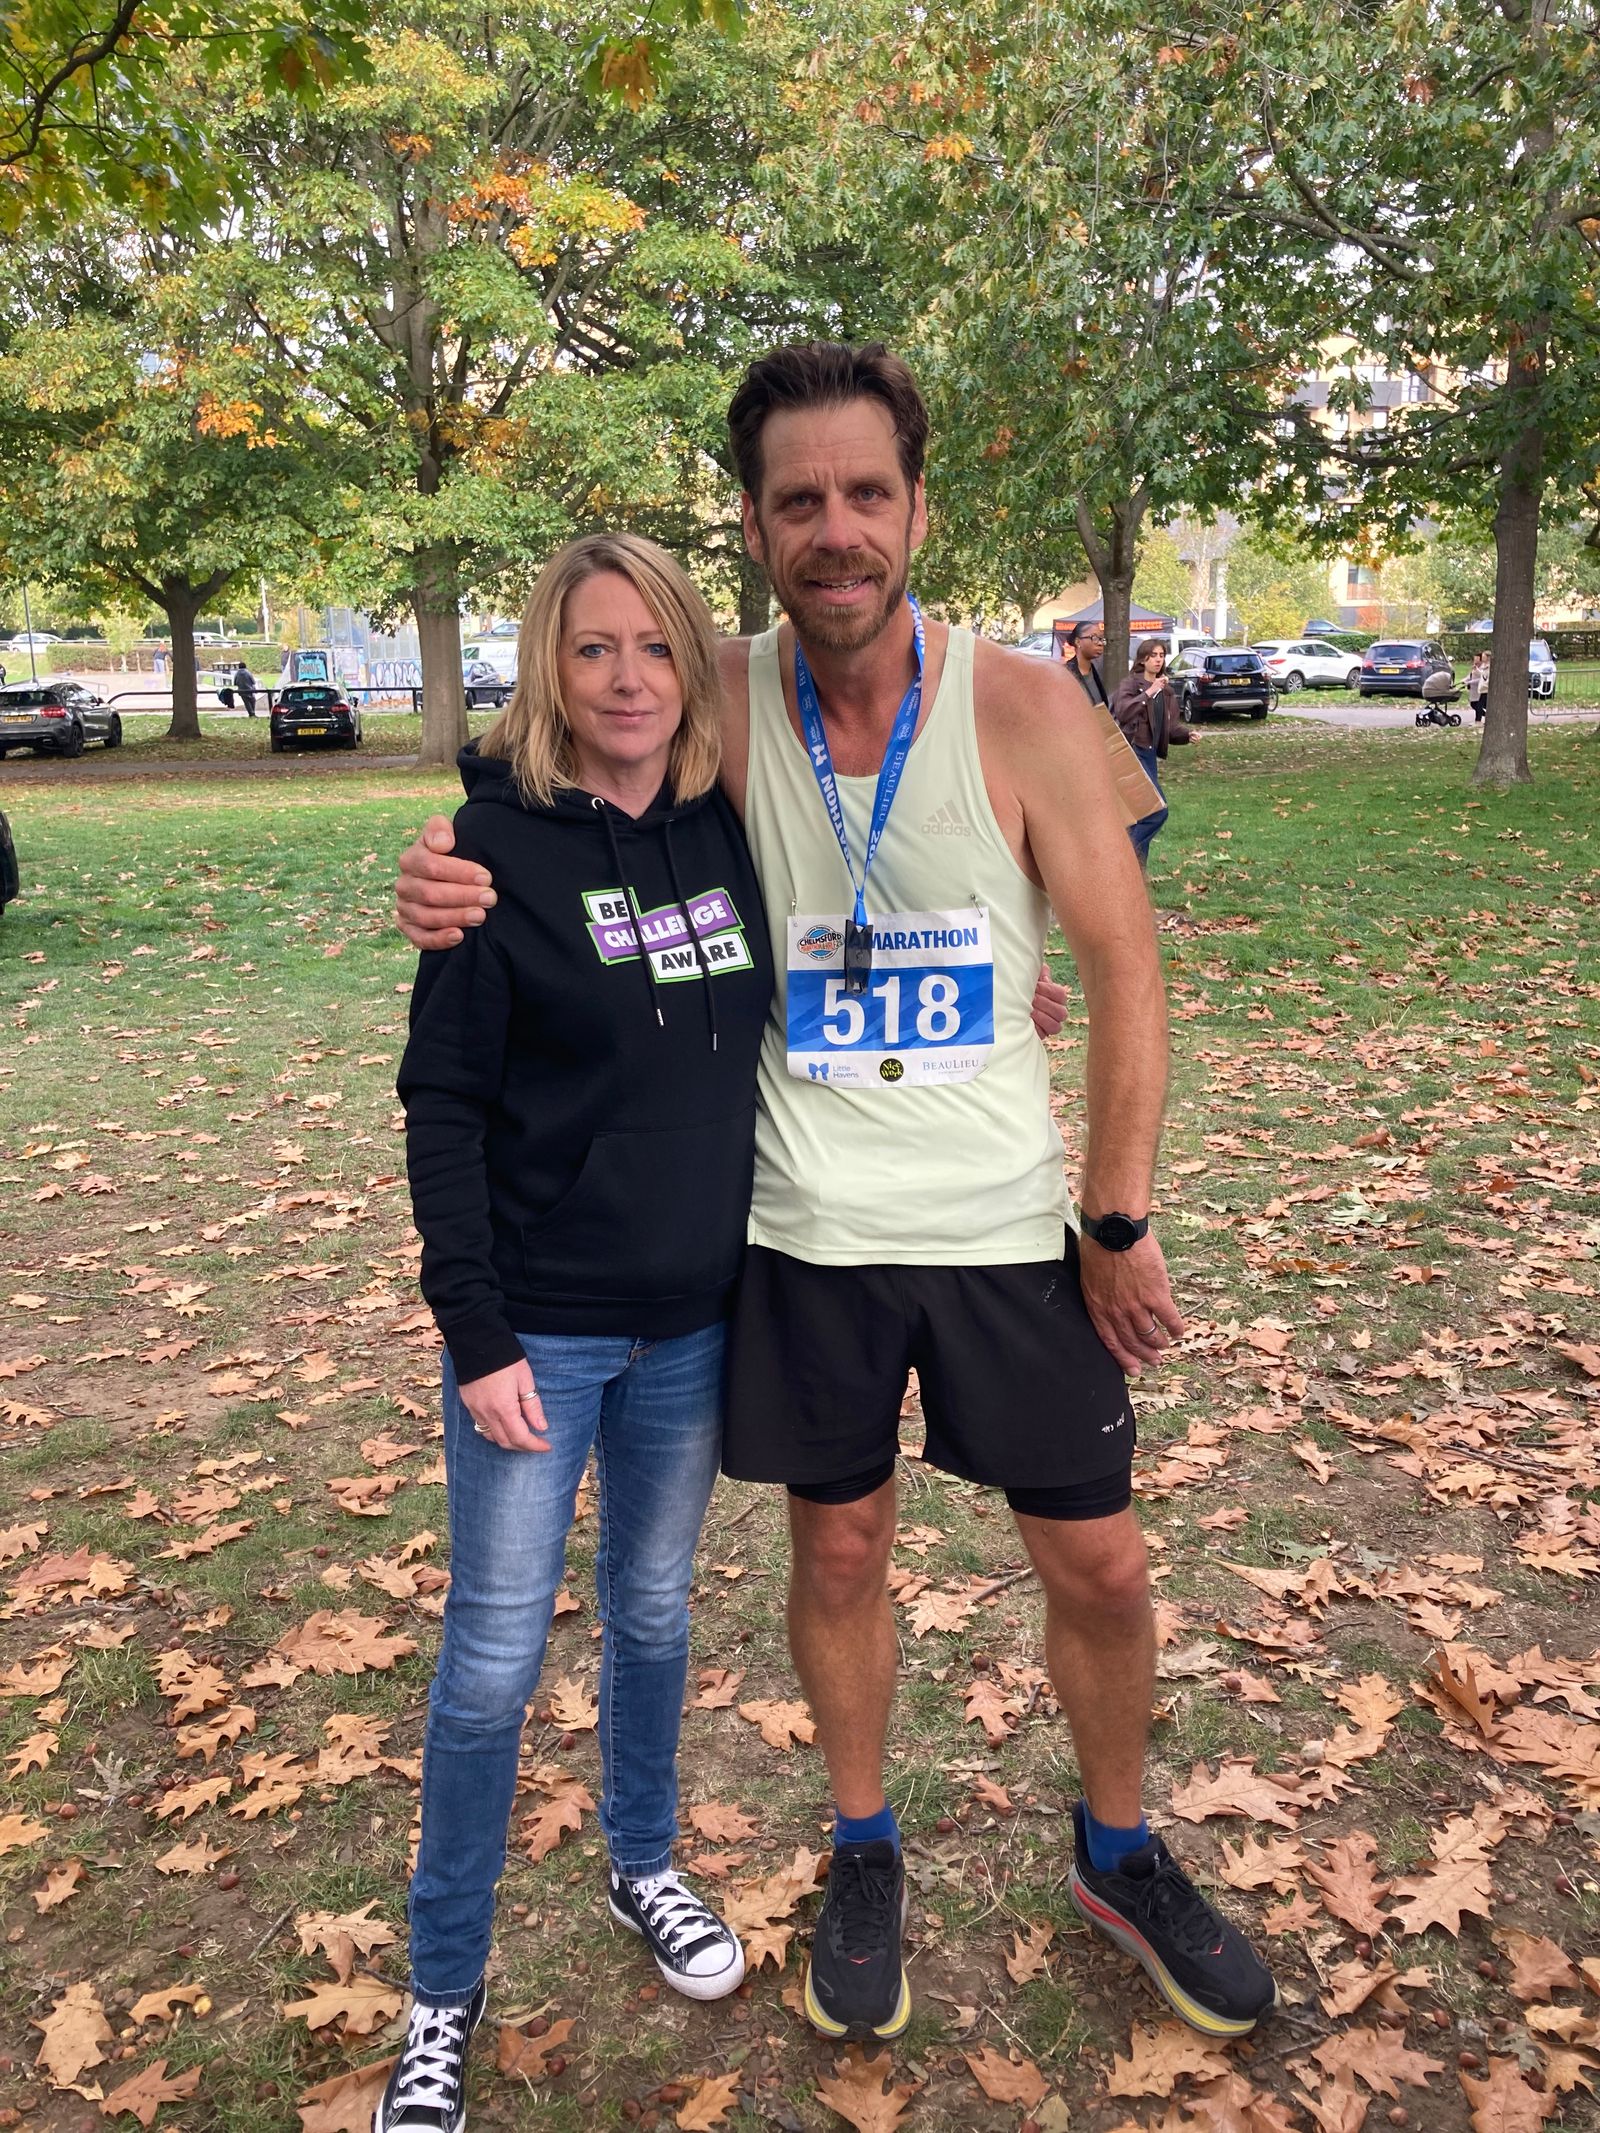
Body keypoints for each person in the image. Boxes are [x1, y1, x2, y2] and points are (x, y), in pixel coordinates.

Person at [396, 342, 1274, 2053]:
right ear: (752, 523)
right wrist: (443, 864)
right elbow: (568, 751)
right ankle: (861, 1846)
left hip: (1008, 1229)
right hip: (798, 1230)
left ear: (918, 505)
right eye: (799, 499)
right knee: (842, 1541)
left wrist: (1116, 1211)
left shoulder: (1025, 701)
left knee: (1094, 1563)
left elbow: (1124, 964)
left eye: (868, 492)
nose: (837, 527)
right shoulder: (721, 691)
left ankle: (1118, 1844)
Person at [380, 534, 772, 2133]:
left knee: (657, 1614)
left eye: (656, 649)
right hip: (536, 1331)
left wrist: (1008, 986)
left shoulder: (735, 833)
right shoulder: (490, 850)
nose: (627, 680)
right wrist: (474, 1330)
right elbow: (442, 1100)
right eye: (595, 650)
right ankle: (442, 1988)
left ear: (692, 663)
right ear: (553, 666)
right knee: (489, 1661)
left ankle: (644, 1861)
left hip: (691, 1320)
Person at [1108, 638, 1195, 868]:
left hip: (1149, 755)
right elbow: (1123, 712)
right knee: (1157, 811)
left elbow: (1170, 728)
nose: (1159, 659)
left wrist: (1187, 735)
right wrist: (1149, 692)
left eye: (1162, 655)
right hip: (1131, 753)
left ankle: (1136, 872)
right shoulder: (1130, 684)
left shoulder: (1165, 691)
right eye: (1154, 655)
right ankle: (1123, 860)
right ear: (1143, 658)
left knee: (1141, 815)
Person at [1063, 619, 1109, 704]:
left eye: (1102, 639)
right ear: (1078, 642)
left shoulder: (1098, 671)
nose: (1100, 643)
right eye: (1094, 638)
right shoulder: (1066, 673)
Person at [1467, 649, 1489, 723]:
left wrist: (1476, 671)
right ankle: (1482, 719)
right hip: (1480, 689)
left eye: (1483, 657)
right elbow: (1471, 676)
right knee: (1479, 705)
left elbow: (1482, 676)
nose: (1475, 660)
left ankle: (1478, 721)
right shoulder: (1479, 667)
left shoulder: (1487, 666)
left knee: (1480, 705)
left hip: (1485, 688)